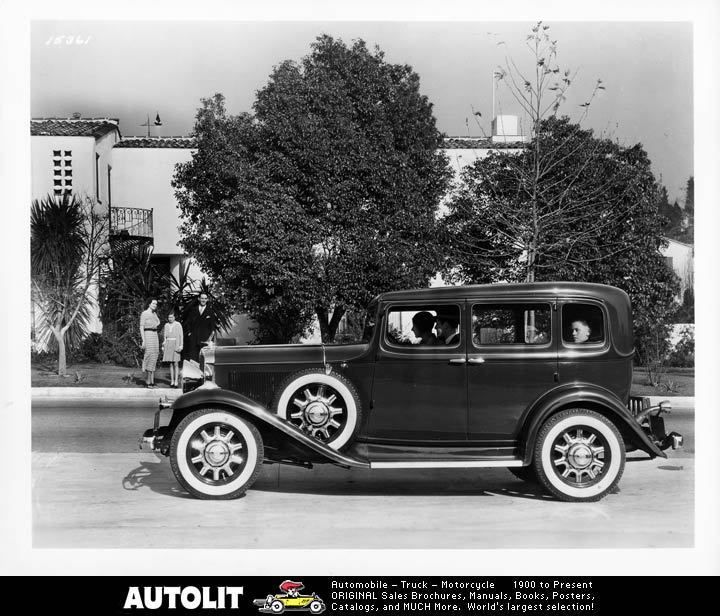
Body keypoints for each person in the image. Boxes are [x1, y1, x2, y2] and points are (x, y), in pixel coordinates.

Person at [184, 292, 217, 362]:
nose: (203, 300)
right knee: (193, 360)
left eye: (205, 298)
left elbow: (212, 327)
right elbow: (188, 323)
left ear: (207, 300)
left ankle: (204, 373)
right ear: (199, 299)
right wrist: (190, 333)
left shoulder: (210, 311)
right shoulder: (193, 310)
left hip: (205, 340)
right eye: (202, 298)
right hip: (194, 339)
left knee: (205, 360)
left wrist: (210, 340)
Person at [139, 298, 160, 388]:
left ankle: (152, 381)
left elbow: (159, 321)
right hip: (148, 335)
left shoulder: (154, 314)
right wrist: (143, 340)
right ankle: (148, 381)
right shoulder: (144, 313)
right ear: (149, 304)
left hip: (155, 335)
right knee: (149, 355)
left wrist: (156, 325)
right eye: (153, 303)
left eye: (156, 304)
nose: (155, 305)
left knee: (155, 355)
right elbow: (141, 327)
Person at [161, 311, 184, 387]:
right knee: (170, 364)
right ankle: (172, 381)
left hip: (176, 344)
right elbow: (165, 337)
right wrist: (163, 345)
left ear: (174, 317)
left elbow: (181, 336)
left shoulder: (178, 324)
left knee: (176, 363)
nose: (170, 319)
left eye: (171, 317)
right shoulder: (166, 325)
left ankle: (176, 381)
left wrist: (181, 345)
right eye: (169, 317)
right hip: (168, 344)